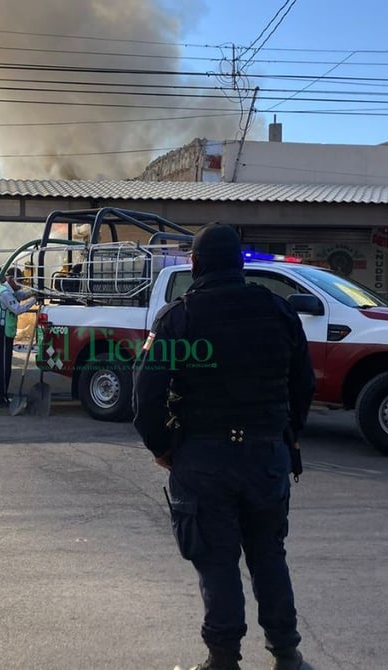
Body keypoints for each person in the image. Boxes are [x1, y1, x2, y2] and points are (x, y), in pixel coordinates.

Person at [133, 223, 315, 670]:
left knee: (216, 562)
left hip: (203, 458)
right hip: (266, 456)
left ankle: (223, 659)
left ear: (194, 264)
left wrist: (163, 449)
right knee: (269, 555)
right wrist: (285, 433)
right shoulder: (279, 311)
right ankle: (287, 654)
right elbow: (304, 385)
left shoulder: (179, 317)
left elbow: (146, 396)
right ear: (240, 262)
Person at [0, 267, 36, 407]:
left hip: (5, 332)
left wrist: (33, 291)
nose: (20, 284)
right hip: (2, 333)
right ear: (11, 279)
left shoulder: (9, 291)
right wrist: (34, 300)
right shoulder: (5, 294)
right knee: (3, 367)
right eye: (19, 281)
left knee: (1, 365)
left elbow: (20, 295)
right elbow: (18, 309)